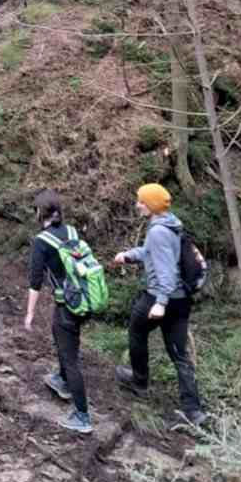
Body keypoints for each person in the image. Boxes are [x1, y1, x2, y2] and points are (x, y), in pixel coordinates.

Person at [113, 183, 208, 427]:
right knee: (179, 354)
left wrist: (160, 303)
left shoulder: (157, 231)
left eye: (141, 202)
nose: (137, 205)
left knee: (136, 330)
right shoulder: (171, 224)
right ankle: (193, 411)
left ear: (152, 205)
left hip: (160, 297)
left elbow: (166, 272)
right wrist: (129, 255)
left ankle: (139, 381)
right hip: (181, 300)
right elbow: (151, 253)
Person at [24, 189, 100, 435]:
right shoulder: (72, 232)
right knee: (63, 338)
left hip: (68, 305)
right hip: (82, 300)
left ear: (40, 212)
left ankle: (82, 416)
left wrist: (29, 314)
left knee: (70, 357)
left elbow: (35, 281)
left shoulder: (41, 241)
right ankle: (62, 379)